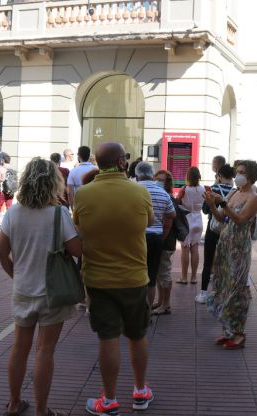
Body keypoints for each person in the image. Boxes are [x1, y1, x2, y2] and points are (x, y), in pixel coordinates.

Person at [73, 142, 155, 415]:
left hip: (98, 279)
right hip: (134, 277)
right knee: (137, 334)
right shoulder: (139, 191)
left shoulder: (84, 195)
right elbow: (148, 222)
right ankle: (140, 391)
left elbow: (79, 227)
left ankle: (108, 401)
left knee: (108, 338)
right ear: (121, 162)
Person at [0, 157, 81, 416]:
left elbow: (0, 253)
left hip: (23, 289)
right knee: (45, 350)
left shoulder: (13, 213)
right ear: (53, 182)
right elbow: (77, 250)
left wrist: (17, 275)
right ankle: (41, 411)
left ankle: (13, 403)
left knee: (19, 347)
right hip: (52, 292)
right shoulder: (58, 214)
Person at [203, 160, 257, 350]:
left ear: (251, 175)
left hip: (239, 247)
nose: (238, 175)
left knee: (237, 290)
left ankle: (239, 333)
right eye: (237, 171)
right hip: (225, 244)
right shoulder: (234, 192)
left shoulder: (253, 197)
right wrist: (212, 204)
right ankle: (228, 331)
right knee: (223, 285)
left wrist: (223, 203)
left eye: (242, 172)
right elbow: (222, 218)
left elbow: (239, 220)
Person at [136, 161, 176, 308]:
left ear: (137, 174)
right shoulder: (162, 192)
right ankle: (147, 312)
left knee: (135, 274)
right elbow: (172, 214)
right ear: (151, 175)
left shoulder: (132, 189)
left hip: (137, 237)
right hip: (156, 238)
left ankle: (135, 310)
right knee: (152, 276)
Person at [197, 163, 234, 303]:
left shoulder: (212, 189)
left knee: (208, 261)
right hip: (228, 229)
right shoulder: (236, 191)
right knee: (225, 261)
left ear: (219, 176)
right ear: (232, 176)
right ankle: (222, 293)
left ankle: (203, 293)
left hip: (213, 229)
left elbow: (206, 210)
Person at [152, 169, 179, 315]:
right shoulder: (162, 195)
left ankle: (166, 304)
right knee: (158, 274)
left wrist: (161, 239)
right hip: (159, 239)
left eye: (162, 180)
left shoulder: (169, 198)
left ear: (167, 183)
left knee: (164, 273)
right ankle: (160, 301)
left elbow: (168, 221)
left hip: (166, 241)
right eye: (156, 178)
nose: (158, 182)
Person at [176, 166, 205, 285]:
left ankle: (184, 277)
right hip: (198, 219)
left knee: (185, 248)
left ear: (187, 176)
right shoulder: (203, 189)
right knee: (195, 248)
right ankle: (193, 277)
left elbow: (177, 201)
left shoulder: (184, 189)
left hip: (186, 219)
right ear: (199, 177)